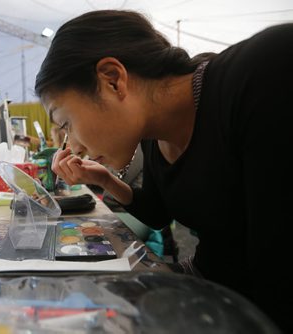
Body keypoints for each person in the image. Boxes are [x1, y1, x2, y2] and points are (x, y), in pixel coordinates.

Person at [36, 10, 292, 332]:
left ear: (113, 80)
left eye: (66, 123)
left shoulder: (262, 72)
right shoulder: (154, 139)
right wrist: (102, 178)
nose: (72, 147)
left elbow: (279, 274)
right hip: (208, 287)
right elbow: (158, 213)